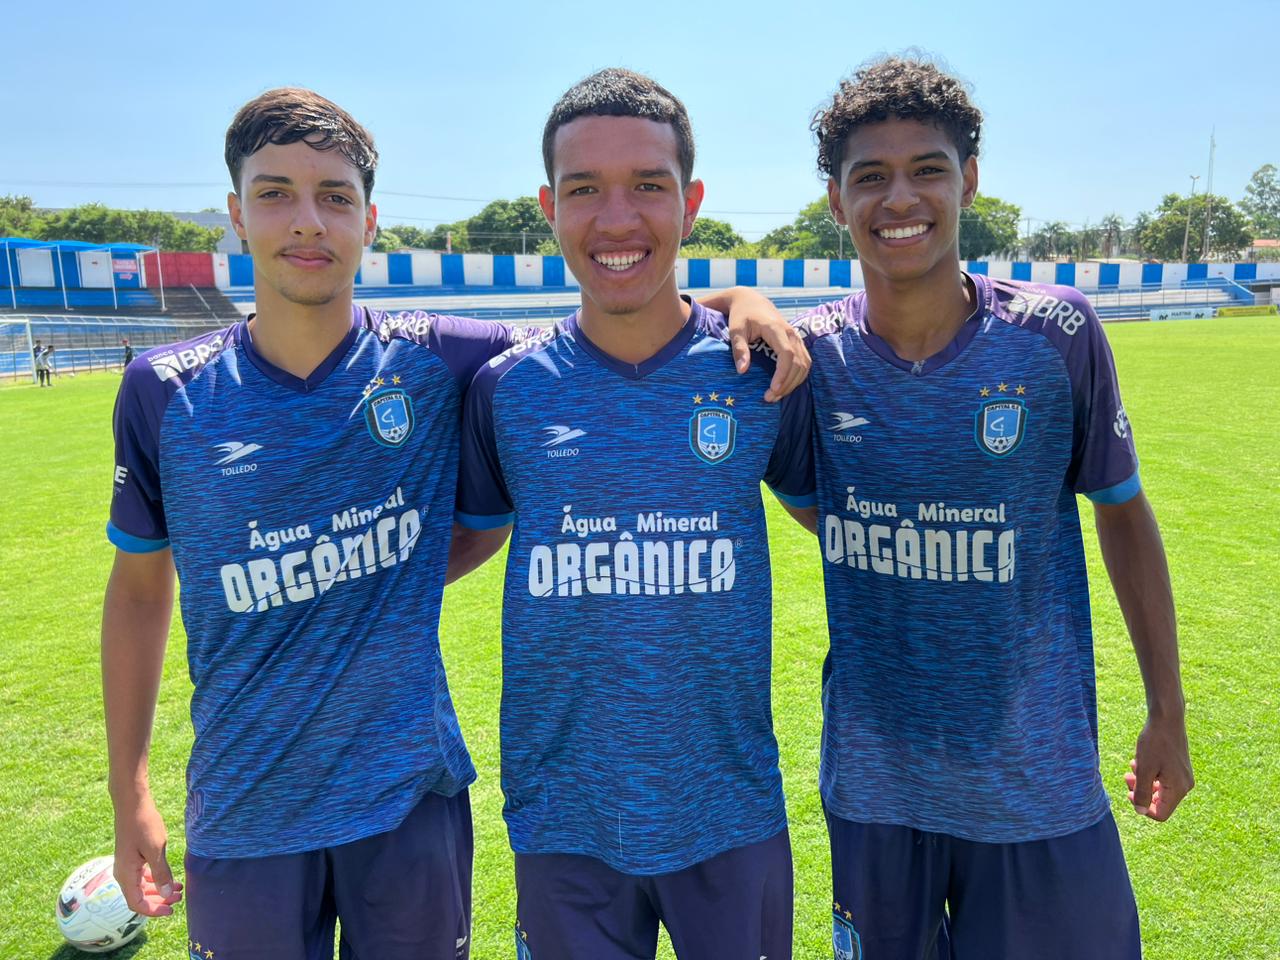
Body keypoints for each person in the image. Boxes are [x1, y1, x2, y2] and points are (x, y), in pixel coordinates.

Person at [103, 86, 807, 960]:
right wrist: (128, 781)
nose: (305, 223)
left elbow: (616, 308)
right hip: (247, 805)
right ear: (236, 216)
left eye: (334, 197)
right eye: (275, 193)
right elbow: (138, 591)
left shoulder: (441, 357)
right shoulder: (164, 390)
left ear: (370, 219)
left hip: (410, 798)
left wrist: (741, 295)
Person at [771, 56, 1192, 959]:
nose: (900, 199)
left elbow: (1121, 512)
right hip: (877, 787)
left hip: (1038, 778)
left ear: (970, 179)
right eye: (869, 177)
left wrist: (1168, 711)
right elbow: (821, 506)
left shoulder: (1057, 335)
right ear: (836, 200)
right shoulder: (809, 359)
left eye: (927, 168)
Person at [451, 69, 815, 960]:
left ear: (690, 202)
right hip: (564, 820)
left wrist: (746, 300)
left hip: (731, 811)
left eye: (648, 185)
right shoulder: (506, 391)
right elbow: (473, 535)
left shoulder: (761, 370)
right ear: (548, 206)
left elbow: (847, 530)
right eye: (585, 190)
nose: (617, 220)